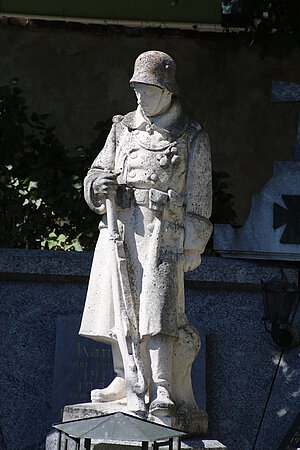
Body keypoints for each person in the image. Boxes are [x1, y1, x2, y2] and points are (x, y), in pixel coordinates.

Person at [79, 50, 212, 420]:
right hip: (121, 227)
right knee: (119, 305)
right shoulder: (122, 128)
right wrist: (97, 185)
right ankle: (124, 377)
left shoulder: (190, 135)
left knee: (159, 307)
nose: (140, 96)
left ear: (168, 92)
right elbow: (96, 172)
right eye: (137, 88)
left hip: (163, 232)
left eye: (148, 89)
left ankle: (164, 387)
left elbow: (201, 196)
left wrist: (193, 244)